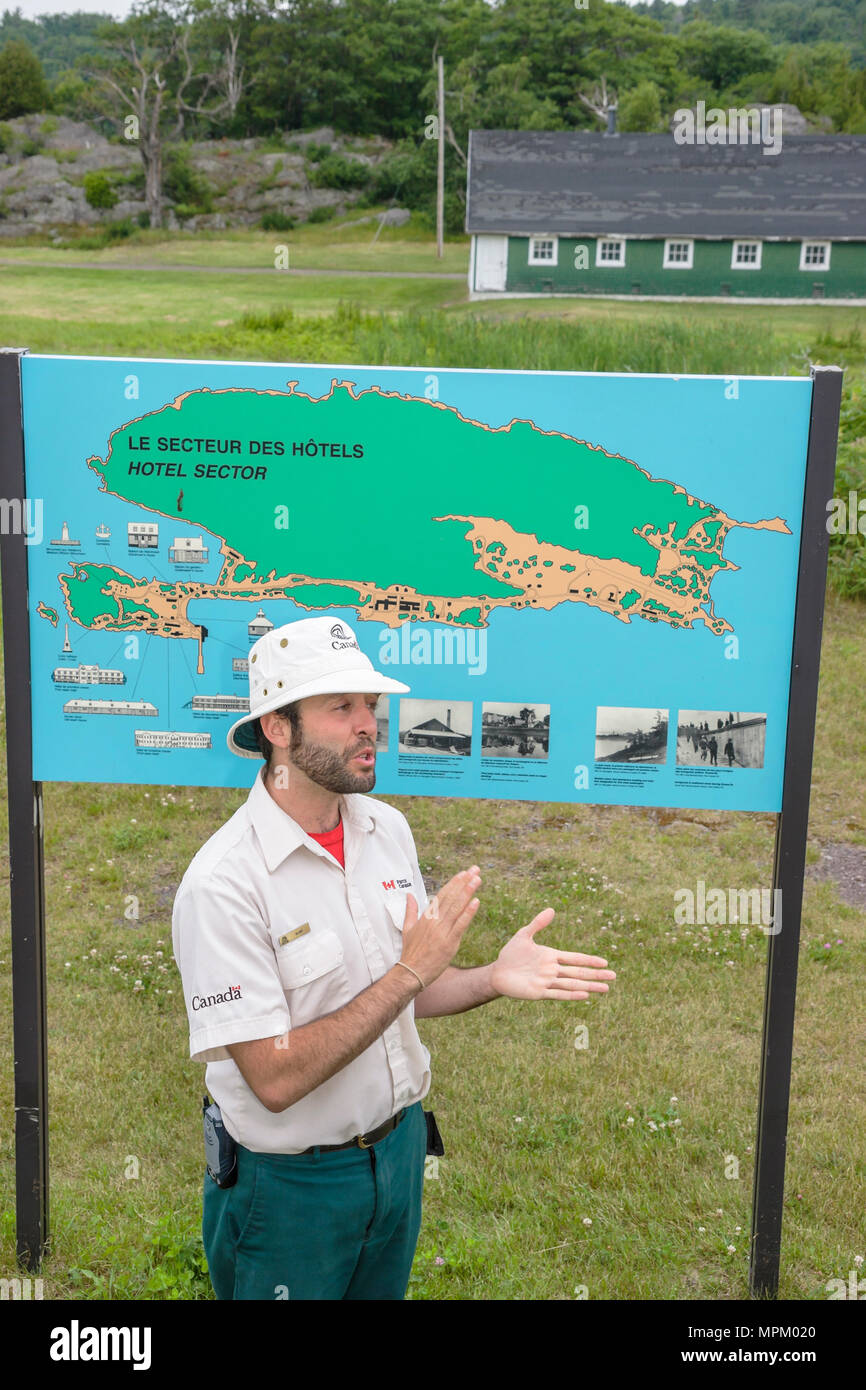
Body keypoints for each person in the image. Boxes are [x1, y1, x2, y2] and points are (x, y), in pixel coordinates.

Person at [172, 615, 615, 1301]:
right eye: (341, 706)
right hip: (289, 1189)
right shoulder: (223, 884)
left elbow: (394, 994)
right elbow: (275, 1079)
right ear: (278, 729)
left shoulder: (384, 829)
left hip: (399, 1157)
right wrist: (413, 969)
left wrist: (490, 978)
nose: (367, 725)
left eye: (371, 706)